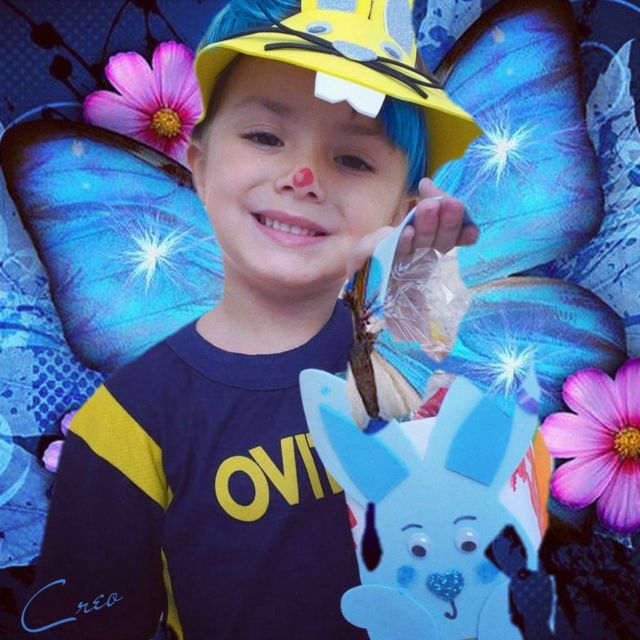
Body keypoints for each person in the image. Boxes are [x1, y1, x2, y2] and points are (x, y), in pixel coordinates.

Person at [19, 0, 481, 638]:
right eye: (265, 136)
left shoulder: (407, 378)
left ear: (399, 212)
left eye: (354, 160)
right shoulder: (123, 428)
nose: (303, 176)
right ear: (199, 164)